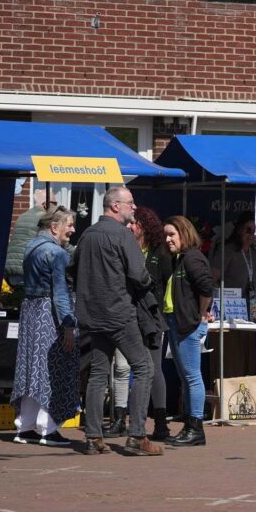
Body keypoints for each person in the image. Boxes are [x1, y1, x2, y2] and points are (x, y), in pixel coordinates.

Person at [71, 186, 162, 456]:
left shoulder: (87, 235)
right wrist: (146, 282)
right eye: (130, 203)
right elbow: (139, 275)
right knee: (144, 368)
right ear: (115, 206)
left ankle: (93, 437)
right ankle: (137, 436)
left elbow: (72, 271)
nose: (134, 207)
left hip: (93, 315)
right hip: (119, 314)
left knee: (98, 373)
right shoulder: (122, 235)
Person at [10, 206, 79, 446]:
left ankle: (25, 426)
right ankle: (47, 429)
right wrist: (68, 325)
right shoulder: (56, 253)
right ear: (54, 227)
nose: (73, 229)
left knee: (32, 369)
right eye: (69, 225)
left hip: (30, 311)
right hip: (48, 314)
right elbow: (60, 292)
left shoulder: (31, 246)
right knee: (53, 369)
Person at [104, 207, 173, 440]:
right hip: (127, 316)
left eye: (134, 223)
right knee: (122, 367)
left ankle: (161, 423)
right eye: (129, 222)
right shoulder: (124, 247)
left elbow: (167, 282)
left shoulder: (160, 252)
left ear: (145, 225)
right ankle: (119, 419)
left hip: (152, 317)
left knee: (154, 369)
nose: (130, 226)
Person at [162, 215, 214, 446]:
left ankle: (196, 428)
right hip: (177, 323)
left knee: (192, 377)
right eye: (166, 235)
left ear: (184, 234)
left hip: (188, 325)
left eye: (172, 234)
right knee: (186, 377)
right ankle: (190, 426)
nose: (168, 239)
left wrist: (201, 313)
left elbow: (207, 287)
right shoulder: (179, 259)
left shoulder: (193, 258)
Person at [211, 212, 256, 379]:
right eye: (248, 230)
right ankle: (226, 388)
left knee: (247, 355)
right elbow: (212, 279)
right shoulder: (227, 251)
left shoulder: (255, 255)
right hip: (229, 313)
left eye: (254, 231)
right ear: (239, 230)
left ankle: (245, 388)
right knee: (230, 356)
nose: (251, 235)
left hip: (250, 312)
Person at [4, 188, 59, 290]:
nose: (56, 206)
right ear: (45, 204)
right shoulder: (44, 219)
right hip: (28, 272)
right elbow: (57, 242)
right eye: (54, 203)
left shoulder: (23, 216)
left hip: (12, 272)